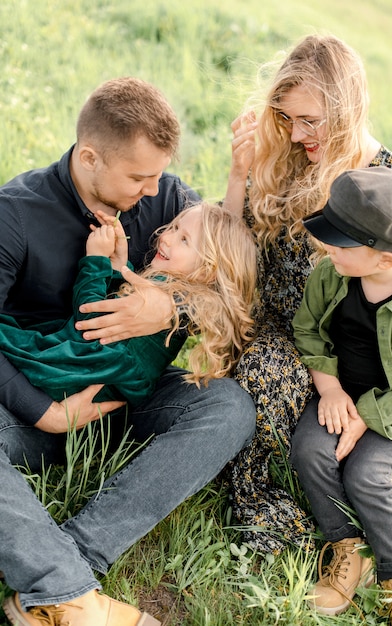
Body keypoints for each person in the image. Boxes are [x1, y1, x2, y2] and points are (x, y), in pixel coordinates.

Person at [0, 77, 256, 626]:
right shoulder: (14, 215)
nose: (154, 191)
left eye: (160, 173)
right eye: (139, 176)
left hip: (125, 400)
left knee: (229, 406)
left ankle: (69, 568)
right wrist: (44, 412)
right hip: (36, 401)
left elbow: (224, 268)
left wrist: (171, 309)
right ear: (90, 157)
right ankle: (67, 592)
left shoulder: (162, 196)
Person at [222, 33, 392, 555]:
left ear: (348, 109)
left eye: (311, 120)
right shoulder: (286, 162)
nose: (296, 133)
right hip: (289, 337)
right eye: (286, 118)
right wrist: (240, 173)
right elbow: (234, 249)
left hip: (375, 363)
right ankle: (291, 516)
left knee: (382, 470)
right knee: (261, 372)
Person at [291, 166, 392, 624]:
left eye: (341, 241)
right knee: (310, 449)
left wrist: (366, 416)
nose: (326, 247)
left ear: (385, 259)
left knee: (365, 474)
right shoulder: (330, 274)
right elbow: (307, 330)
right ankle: (346, 546)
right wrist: (328, 388)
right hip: (340, 390)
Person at [0, 203, 257, 406]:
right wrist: (119, 266)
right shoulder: (184, 297)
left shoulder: (158, 293)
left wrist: (96, 261)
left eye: (184, 240)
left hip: (82, 374)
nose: (167, 237)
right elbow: (118, 307)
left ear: (207, 271)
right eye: (175, 227)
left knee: (11, 341)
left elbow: (90, 322)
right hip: (110, 384)